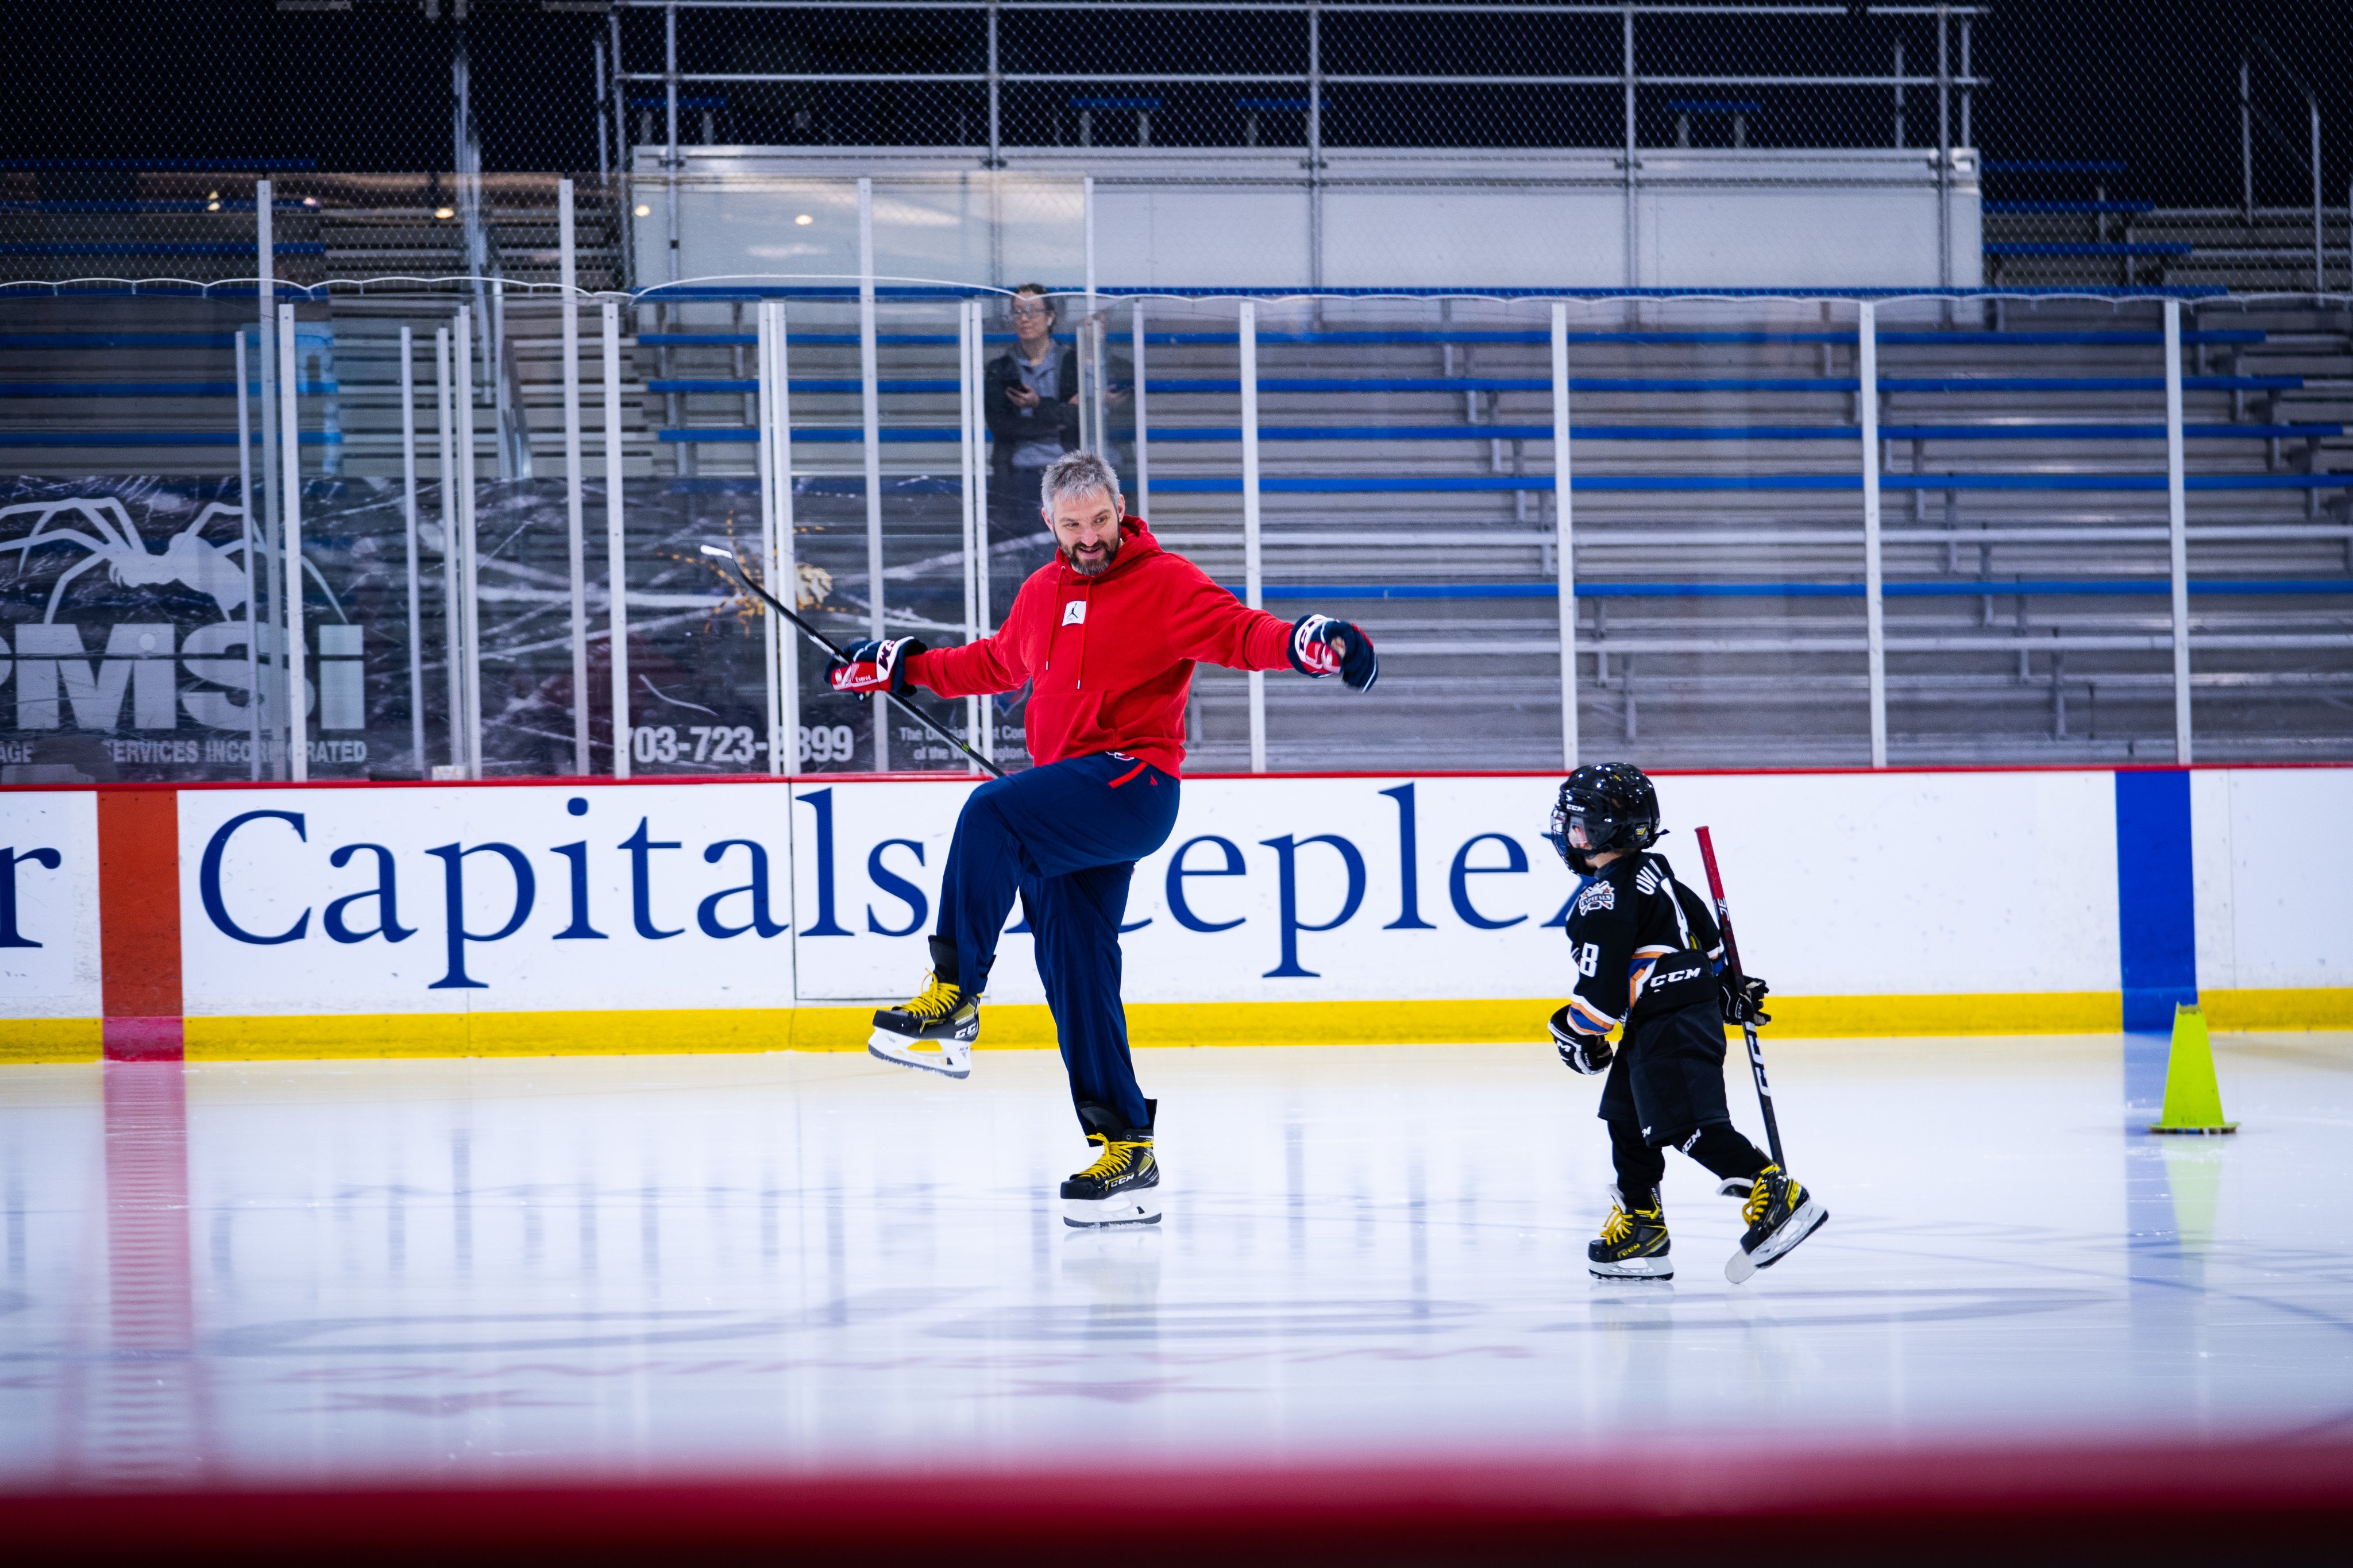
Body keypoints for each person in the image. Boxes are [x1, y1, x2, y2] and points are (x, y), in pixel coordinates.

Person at [823, 450, 1379, 1228]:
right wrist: (901, 667)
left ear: (1121, 507)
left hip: (1130, 785)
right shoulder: (1042, 592)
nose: (1091, 537)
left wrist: (1307, 642)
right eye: (1074, 525)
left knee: (991, 813)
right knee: (1074, 968)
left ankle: (953, 993)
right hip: (1069, 804)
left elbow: (1240, 633)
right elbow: (991, 662)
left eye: (1102, 520)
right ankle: (1126, 1147)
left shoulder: (1166, 581)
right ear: (1050, 522)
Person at [1541, 762, 1827, 1282]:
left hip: (1666, 1022)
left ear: (1603, 829)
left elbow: (1602, 999)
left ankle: (1777, 1193)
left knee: (1686, 1125)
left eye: (1577, 824)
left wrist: (1572, 1032)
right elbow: (1710, 949)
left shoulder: (1602, 898)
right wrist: (1728, 996)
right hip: (1669, 1017)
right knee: (1626, 1120)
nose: (1569, 834)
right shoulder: (1659, 874)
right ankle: (1642, 1228)